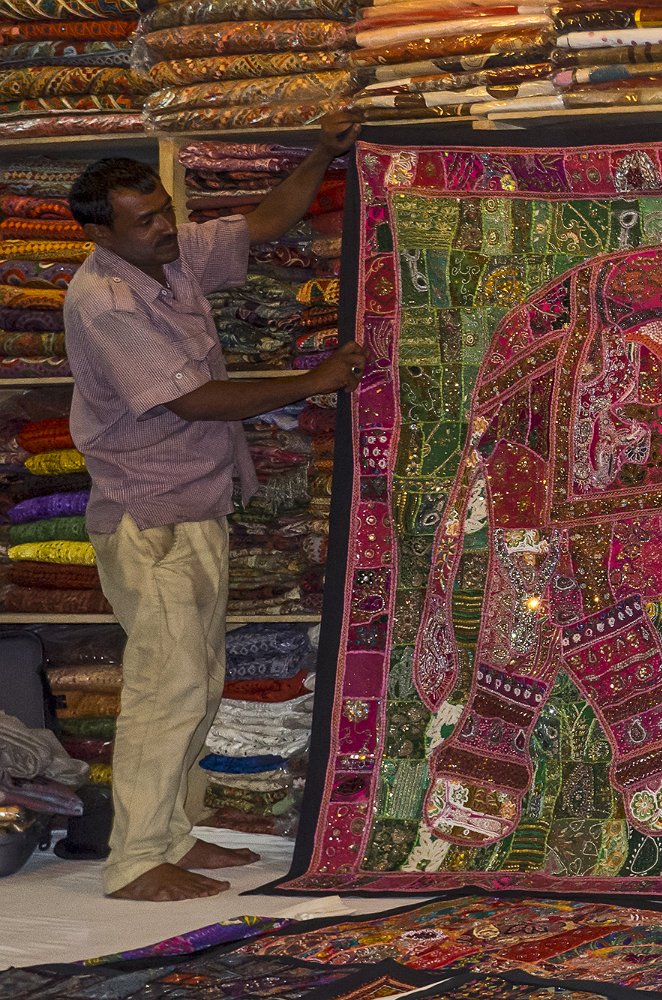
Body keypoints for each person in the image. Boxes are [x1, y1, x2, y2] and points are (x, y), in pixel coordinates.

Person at [64, 111, 368, 902]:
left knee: (197, 679)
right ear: (102, 233)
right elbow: (193, 401)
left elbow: (263, 223)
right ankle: (135, 860)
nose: (165, 227)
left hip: (194, 504)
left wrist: (320, 151)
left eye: (165, 210)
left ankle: (171, 833)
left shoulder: (168, 256)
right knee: (166, 686)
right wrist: (314, 381)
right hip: (150, 519)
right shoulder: (106, 302)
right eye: (145, 221)